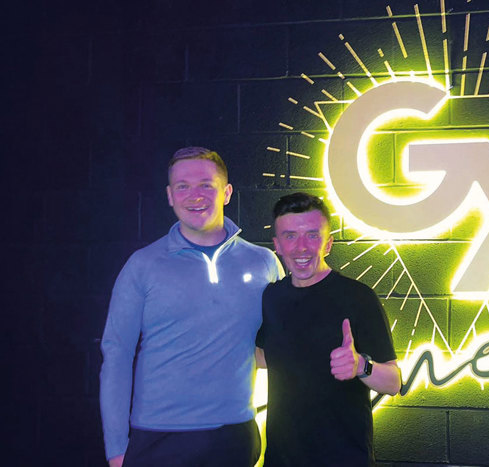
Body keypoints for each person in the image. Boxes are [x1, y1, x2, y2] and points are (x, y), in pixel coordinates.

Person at [100, 147, 282, 467]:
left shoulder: (264, 262)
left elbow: (282, 345)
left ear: (226, 193)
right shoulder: (142, 265)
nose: (194, 195)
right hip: (157, 438)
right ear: (170, 196)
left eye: (205, 185)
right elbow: (116, 356)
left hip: (235, 436)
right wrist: (116, 448)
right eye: (182, 186)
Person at [255, 192, 401, 466]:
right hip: (281, 459)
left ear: (329, 243)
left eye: (312, 235)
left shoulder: (358, 298)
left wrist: (361, 366)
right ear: (277, 245)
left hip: (343, 459)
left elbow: (393, 383)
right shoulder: (271, 298)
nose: (301, 248)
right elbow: (262, 357)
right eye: (290, 236)